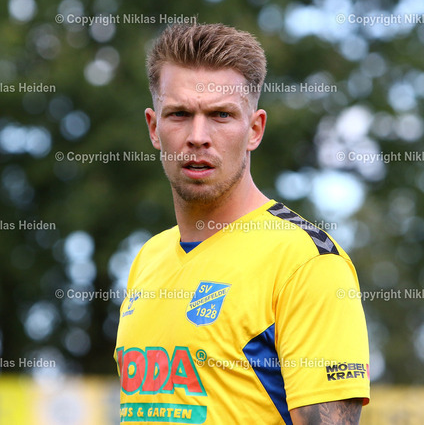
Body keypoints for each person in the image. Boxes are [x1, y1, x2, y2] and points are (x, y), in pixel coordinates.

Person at [115, 23, 370, 424]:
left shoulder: (306, 263)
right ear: (153, 128)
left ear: (254, 130)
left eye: (221, 115)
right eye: (179, 114)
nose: (198, 136)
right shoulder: (148, 259)